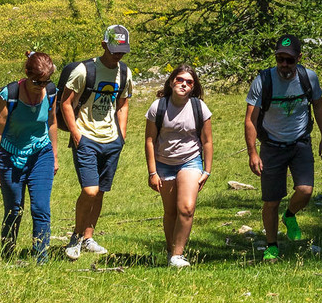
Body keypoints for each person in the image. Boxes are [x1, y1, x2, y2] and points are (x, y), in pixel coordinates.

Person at [244, 33, 322, 263]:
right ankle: (272, 246)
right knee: (271, 201)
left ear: (298, 58)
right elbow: (251, 119)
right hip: (272, 146)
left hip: (300, 143)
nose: (284, 64)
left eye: (289, 60)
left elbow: (319, 106)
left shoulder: (308, 78)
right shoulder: (263, 81)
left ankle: (290, 215)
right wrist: (253, 152)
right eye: (280, 59)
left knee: (305, 191)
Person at [57, 26, 132, 260]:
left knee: (100, 192)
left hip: (111, 140)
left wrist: (122, 134)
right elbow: (65, 102)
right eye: (113, 50)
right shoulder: (84, 70)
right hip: (86, 137)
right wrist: (76, 133)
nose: (118, 55)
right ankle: (75, 238)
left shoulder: (124, 72)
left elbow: (123, 103)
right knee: (89, 191)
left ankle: (88, 237)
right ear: (103, 45)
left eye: (122, 51)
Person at [0, 50, 59, 262]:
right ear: (26, 74)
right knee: (14, 210)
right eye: (37, 82)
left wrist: (54, 155)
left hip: (41, 155)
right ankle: (7, 255)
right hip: (10, 158)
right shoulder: (10, 95)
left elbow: (52, 123)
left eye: (45, 82)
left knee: (41, 209)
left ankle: (41, 259)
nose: (41, 87)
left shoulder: (52, 92)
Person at [144, 63, 213, 268]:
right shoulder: (158, 106)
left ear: (194, 87)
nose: (183, 84)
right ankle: (170, 250)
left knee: (187, 208)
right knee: (170, 212)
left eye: (189, 82)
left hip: (191, 160)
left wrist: (207, 170)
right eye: (180, 79)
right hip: (164, 163)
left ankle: (177, 255)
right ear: (172, 81)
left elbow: (207, 141)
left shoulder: (199, 107)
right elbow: (149, 140)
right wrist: (152, 172)